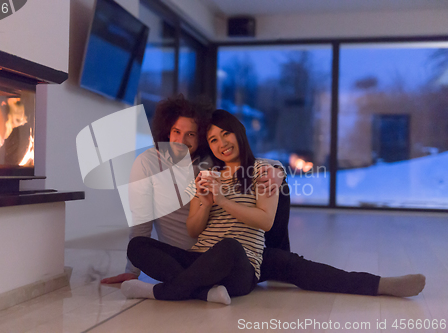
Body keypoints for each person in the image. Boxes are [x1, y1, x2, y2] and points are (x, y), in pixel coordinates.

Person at [118, 110, 426, 304]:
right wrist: (205, 202)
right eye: (213, 140)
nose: (221, 143)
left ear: (239, 133)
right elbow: (193, 229)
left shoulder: (265, 169)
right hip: (202, 258)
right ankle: (203, 293)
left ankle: (382, 285)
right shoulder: (206, 176)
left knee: (238, 250)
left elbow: (265, 222)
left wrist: (223, 199)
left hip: (241, 264)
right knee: (139, 246)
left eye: (226, 134)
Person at [101, 95, 286, 284]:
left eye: (191, 134)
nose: (182, 140)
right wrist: (132, 272)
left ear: (200, 138)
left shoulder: (208, 160)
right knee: (137, 246)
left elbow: (248, 161)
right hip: (181, 257)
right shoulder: (147, 164)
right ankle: (198, 285)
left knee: (275, 183)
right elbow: (141, 222)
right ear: (167, 131)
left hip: (219, 253)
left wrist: (278, 170)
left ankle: (191, 285)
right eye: (176, 131)